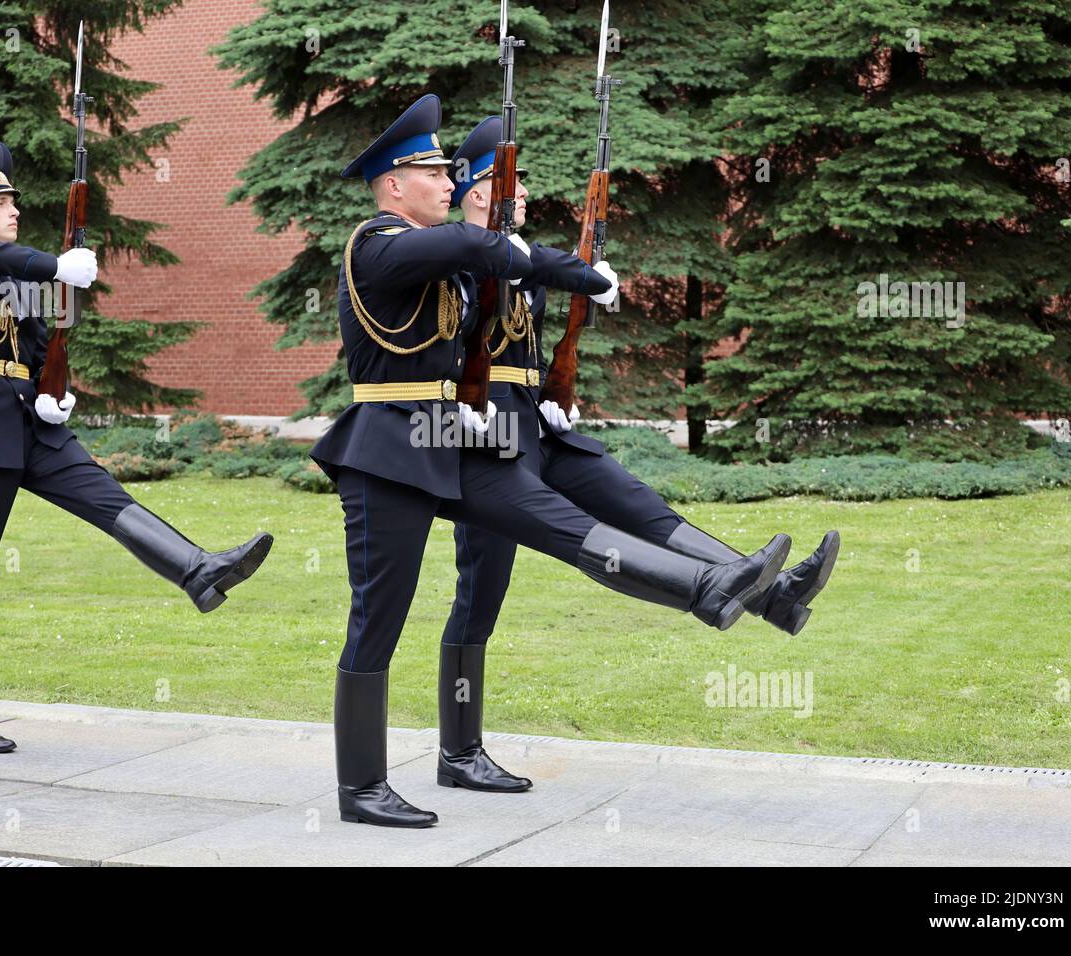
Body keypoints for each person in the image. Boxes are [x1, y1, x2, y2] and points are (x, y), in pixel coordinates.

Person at [311, 96, 792, 828]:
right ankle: (360, 786)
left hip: (453, 435)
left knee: (559, 522)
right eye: (433, 172)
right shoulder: (376, 244)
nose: (447, 182)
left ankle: (711, 585)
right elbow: (478, 250)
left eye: (449, 172)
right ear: (392, 183)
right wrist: (576, 272)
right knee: (379, 613)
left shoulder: (439, 248)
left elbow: (482, 296)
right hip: (387, 449)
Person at [436, 116, 841, 794]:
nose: (527, 190)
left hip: (539, 429)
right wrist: (585, 276)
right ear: (478, 192)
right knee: (481, 592)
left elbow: (529, 337)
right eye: (513, 181)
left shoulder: (521, 252)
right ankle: (458, 752)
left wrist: (554, 386)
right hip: (484, 440)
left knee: (638, 505)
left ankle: (774, 593)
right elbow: (490, 309)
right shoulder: (461, 251)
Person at [0, 142, 273, 753]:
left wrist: (52, 392)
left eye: (13, 201)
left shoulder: (11, 272)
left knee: (105, 496)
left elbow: (35, 346)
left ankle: (196, 569)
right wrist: (52, 265)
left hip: (31, 425)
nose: (11, 210)